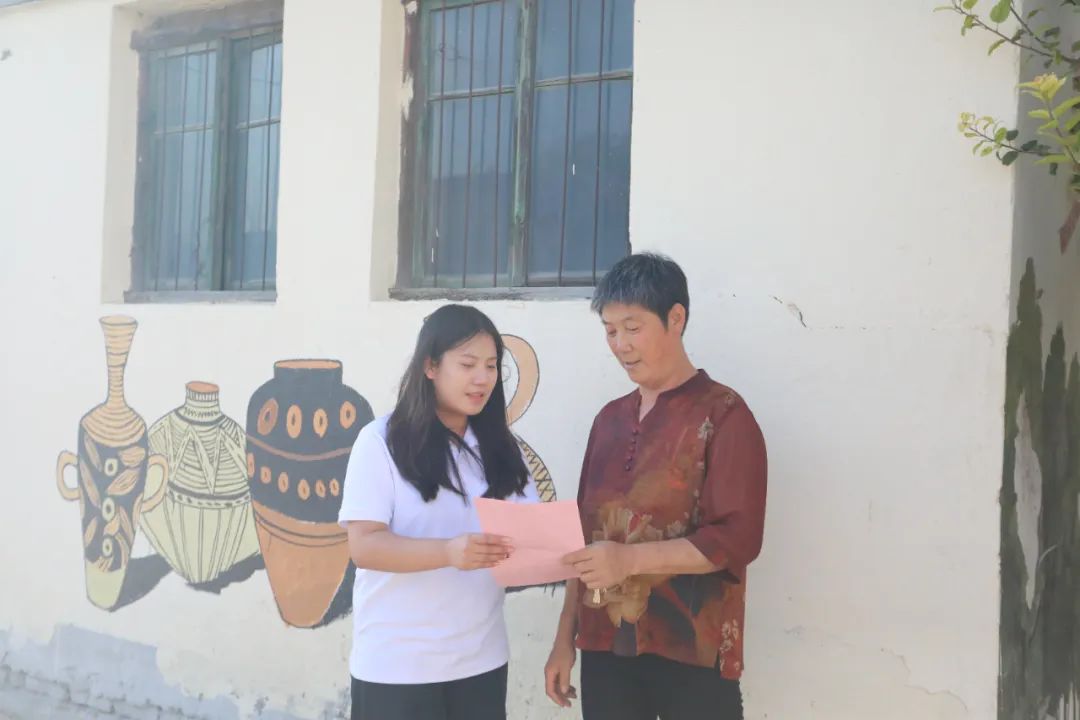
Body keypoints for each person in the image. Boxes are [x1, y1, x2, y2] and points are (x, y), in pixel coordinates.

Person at [544, 253, 768, 720]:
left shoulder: (724, 414)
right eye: (610, 331)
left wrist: (628, 560)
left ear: (676, 318)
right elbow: (582, 540)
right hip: (604, 650)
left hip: (691, 651)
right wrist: (566, 638)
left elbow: (736, 540)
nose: (620, 345)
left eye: (633, 327)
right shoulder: (608, 420)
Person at [339, 304, 540, 720]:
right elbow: (364, 546)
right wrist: (449, 552)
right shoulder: (380, 442)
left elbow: (531, 538)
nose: (482, 378)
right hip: (397, 668)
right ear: (430, 366)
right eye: (468, 364)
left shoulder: (504, 449)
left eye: (491, 366)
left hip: (481, 662)